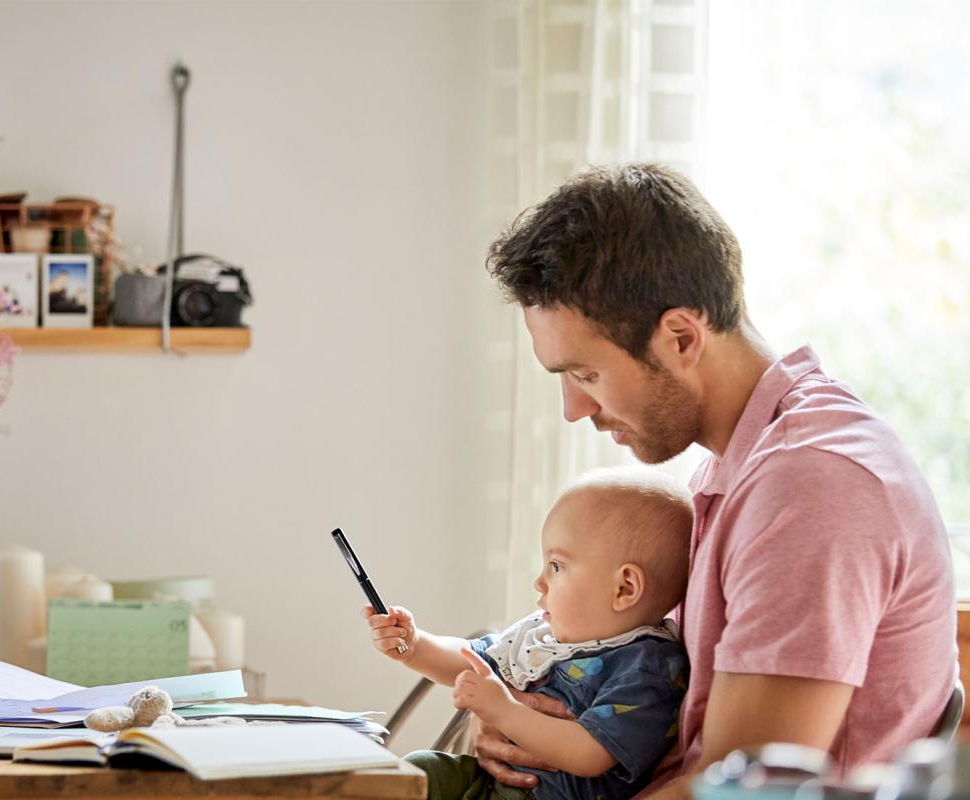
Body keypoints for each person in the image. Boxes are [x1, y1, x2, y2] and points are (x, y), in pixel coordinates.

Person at [474, 163, 956, 798]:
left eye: (586, 374)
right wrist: (537, 734)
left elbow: (739, 792)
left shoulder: (810, 486)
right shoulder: (742, 467)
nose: (574, 409)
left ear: (680, 336)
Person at [367, 467, 693, 800]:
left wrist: (506, 711)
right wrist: (415, 644)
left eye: (556, 566)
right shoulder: (546, 632)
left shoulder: (648, 668)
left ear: (624, 588)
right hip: (491, 782)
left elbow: (590, 754)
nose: (539, 582)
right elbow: (472, 659)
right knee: (419, 768)